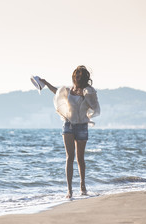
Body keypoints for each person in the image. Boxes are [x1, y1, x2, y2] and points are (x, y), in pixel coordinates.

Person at [39, 65, 100, 198]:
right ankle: (69, 190)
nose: (77, 77)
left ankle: (82, 185)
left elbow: (94, 105)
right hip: (68, 125)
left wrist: (87, 96)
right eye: (75, 75)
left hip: (82, 126)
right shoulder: (68, 90)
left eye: (79, 75)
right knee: (69, 157)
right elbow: (56, 91)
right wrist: (46, 83)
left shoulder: (88, 91)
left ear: (84, 78)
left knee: (80, 159)